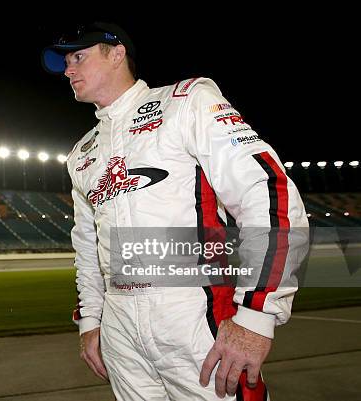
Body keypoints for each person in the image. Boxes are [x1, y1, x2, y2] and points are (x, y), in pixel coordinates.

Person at [42, 22, 308, 400]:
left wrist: (256, 316)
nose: (68, 70)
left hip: (193, 314)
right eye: (66, 61)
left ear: (117, 54)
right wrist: (90, 320)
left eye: (78, 57)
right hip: (120, 326)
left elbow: (266, 191)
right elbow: (87, 246)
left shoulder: (185, 101)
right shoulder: (81, 153)